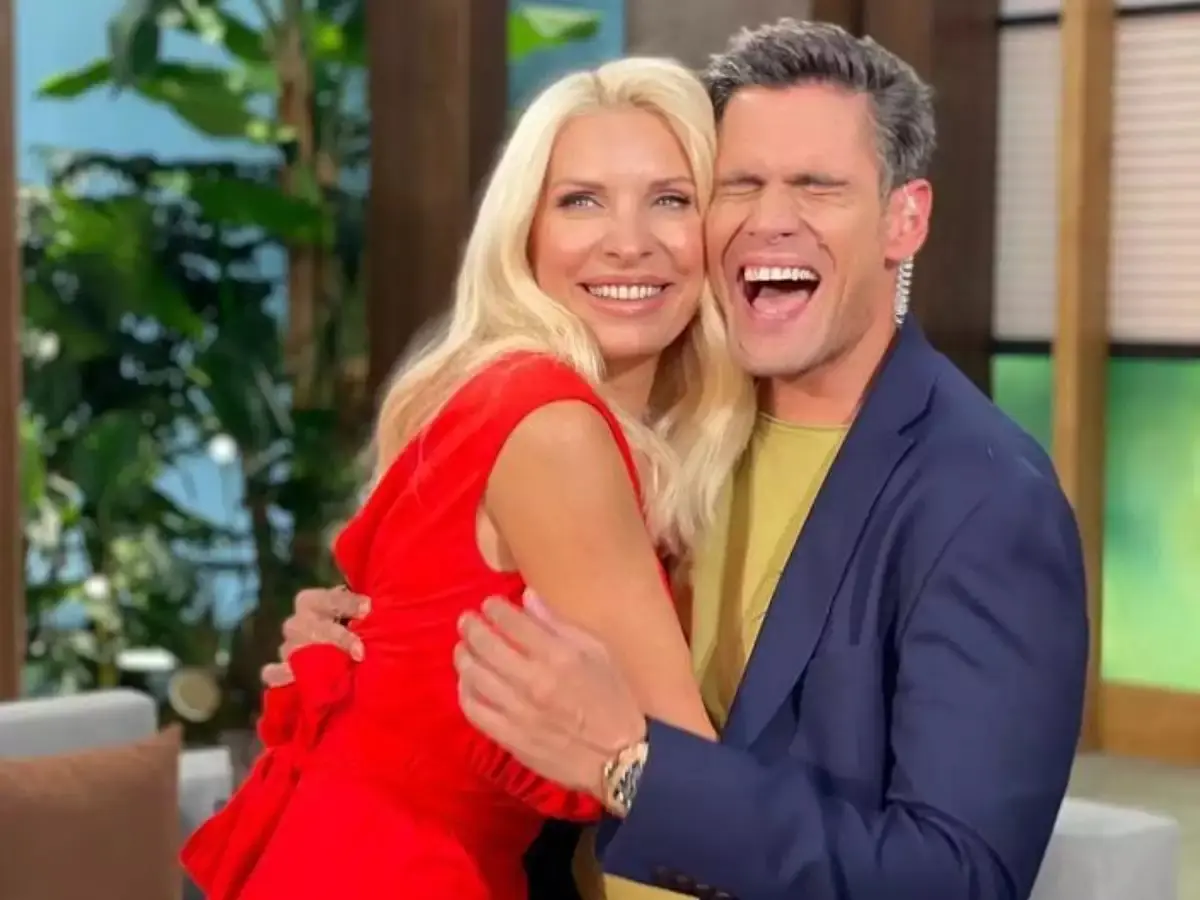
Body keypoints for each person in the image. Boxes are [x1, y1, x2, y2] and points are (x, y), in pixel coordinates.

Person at [271, 19, 1090, 900]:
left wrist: (629, 766)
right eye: (739, 185)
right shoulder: (661, 425)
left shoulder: (983, 499)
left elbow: (958, 880)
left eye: (817, 186)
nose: (771, 221)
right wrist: (378, 658)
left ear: (905, 218)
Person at [181, 56, 755, 900]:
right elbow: (693, 800)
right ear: (524, 233)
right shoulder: (552, 428)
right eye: (581, 200)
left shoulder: (507, 397)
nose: (629, 240)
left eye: (671, 199)